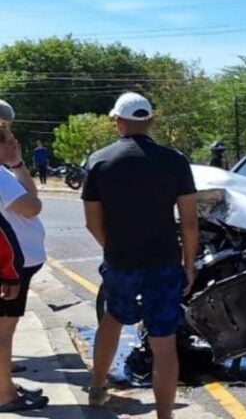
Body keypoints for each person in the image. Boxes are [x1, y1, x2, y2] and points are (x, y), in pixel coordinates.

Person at [83, 92, 198, 419]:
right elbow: (189, 222)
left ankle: (96, 387)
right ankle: (164, 416)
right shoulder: (175, 161)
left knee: (113, 319)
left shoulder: (99, 161)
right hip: (164, 263)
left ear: (118, 122)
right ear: (149, 122)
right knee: (164, 343)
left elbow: (92, 222)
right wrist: (188, 265)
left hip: (120, 261)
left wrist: (113, 248)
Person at [0, 100, 49, 412]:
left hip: (15, 264)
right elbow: (33, 206)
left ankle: (4, 385)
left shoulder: (5, 173)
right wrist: (14, 167)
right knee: (4, 329)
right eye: (7, 137)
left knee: (6, 327)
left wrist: (16, 165)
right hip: (11, 266)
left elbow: (32, 198)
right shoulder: (0, 178)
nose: (12, 140)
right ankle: (6, 396)